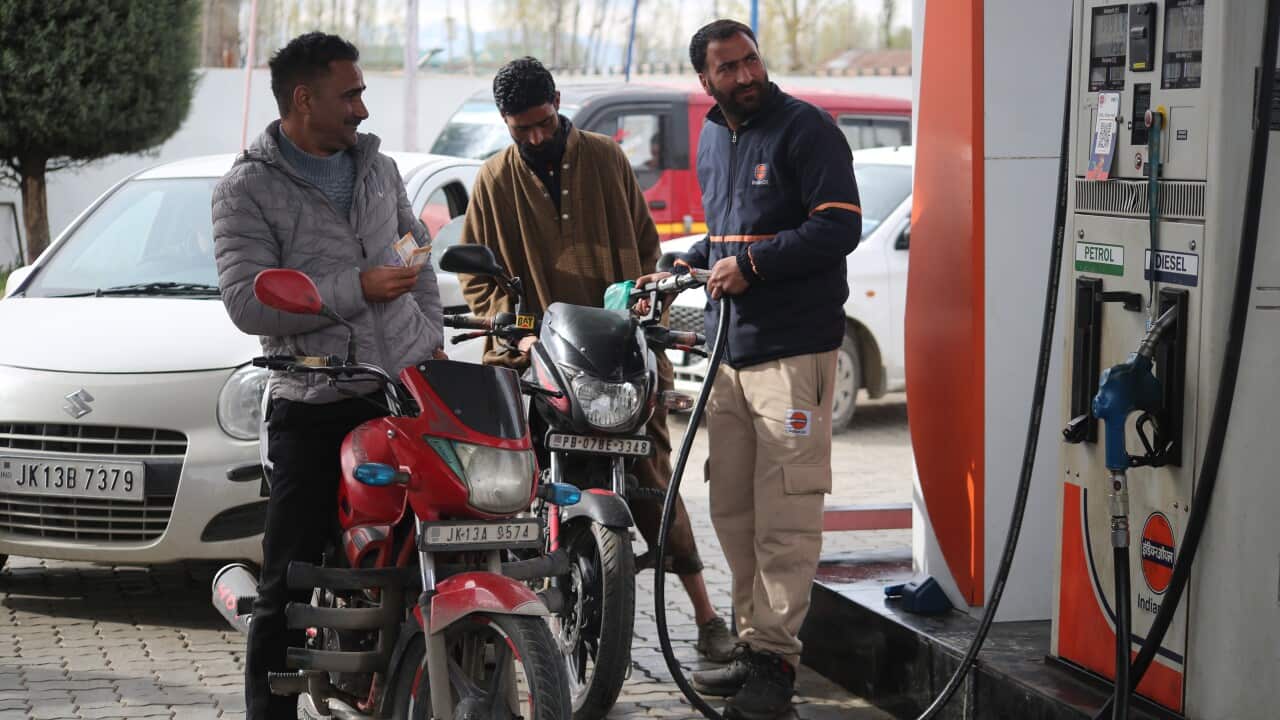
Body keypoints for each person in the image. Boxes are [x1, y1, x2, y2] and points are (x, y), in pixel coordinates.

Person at [457, 56, 737, 663]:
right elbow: (480, 287)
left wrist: (644, 317)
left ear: (557, 101)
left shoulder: (606, 159)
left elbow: (645, 250)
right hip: (535, 359)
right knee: (502, 487)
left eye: (541, 122)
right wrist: (521, 337)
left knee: (651, 481)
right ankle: (486, 623)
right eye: (519, 128)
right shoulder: (493, 180)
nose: (533, 137)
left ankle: (706, 613)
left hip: (616, 358)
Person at [212, 32, 443, 720]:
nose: (363, 109)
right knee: (288, 578)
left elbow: (416, 251)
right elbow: (248, 301)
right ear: (303, 99)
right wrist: (357, 287)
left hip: (398, 397)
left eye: (364, 93)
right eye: (351, 94)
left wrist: (426, 335)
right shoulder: (247, 189)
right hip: (312, 402)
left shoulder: (379, 168)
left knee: (435, 540)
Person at [638, 19, 862, 720]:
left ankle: (775, 661)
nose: (746, 75)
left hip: (795, 355)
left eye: (750, 60)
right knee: (733, 510)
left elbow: (838, 225)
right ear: (705, 82)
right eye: (728, 68)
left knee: (786, 515)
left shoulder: (806, 130)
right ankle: (748, 645)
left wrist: (753, 266)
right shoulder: (714, 138)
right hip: (729, 354)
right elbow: (735, 234)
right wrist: (690, 260)